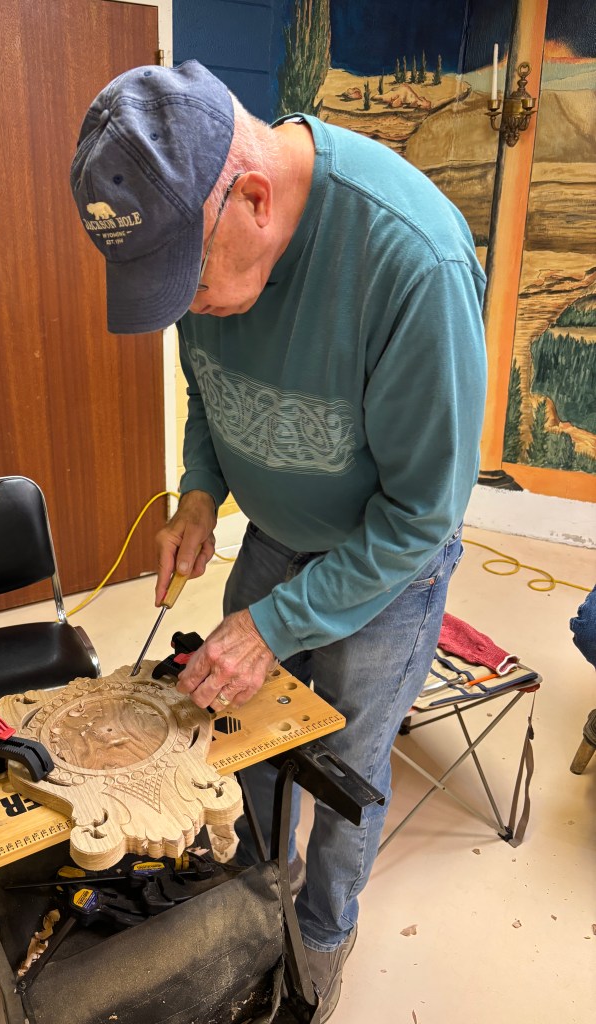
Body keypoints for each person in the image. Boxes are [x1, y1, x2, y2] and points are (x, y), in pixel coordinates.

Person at [71, 60, 487, 1021]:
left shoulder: (411, 264)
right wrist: (199, 495)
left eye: (191, 285)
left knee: (346, 769)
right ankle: (250, 904)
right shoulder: (210, 249)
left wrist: (274, 625)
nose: (190, 309)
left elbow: (422, 515)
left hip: (386, 570)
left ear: (253, 200)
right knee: (237, 735)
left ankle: (323, 935)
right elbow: (209, 395)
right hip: (271, 540)